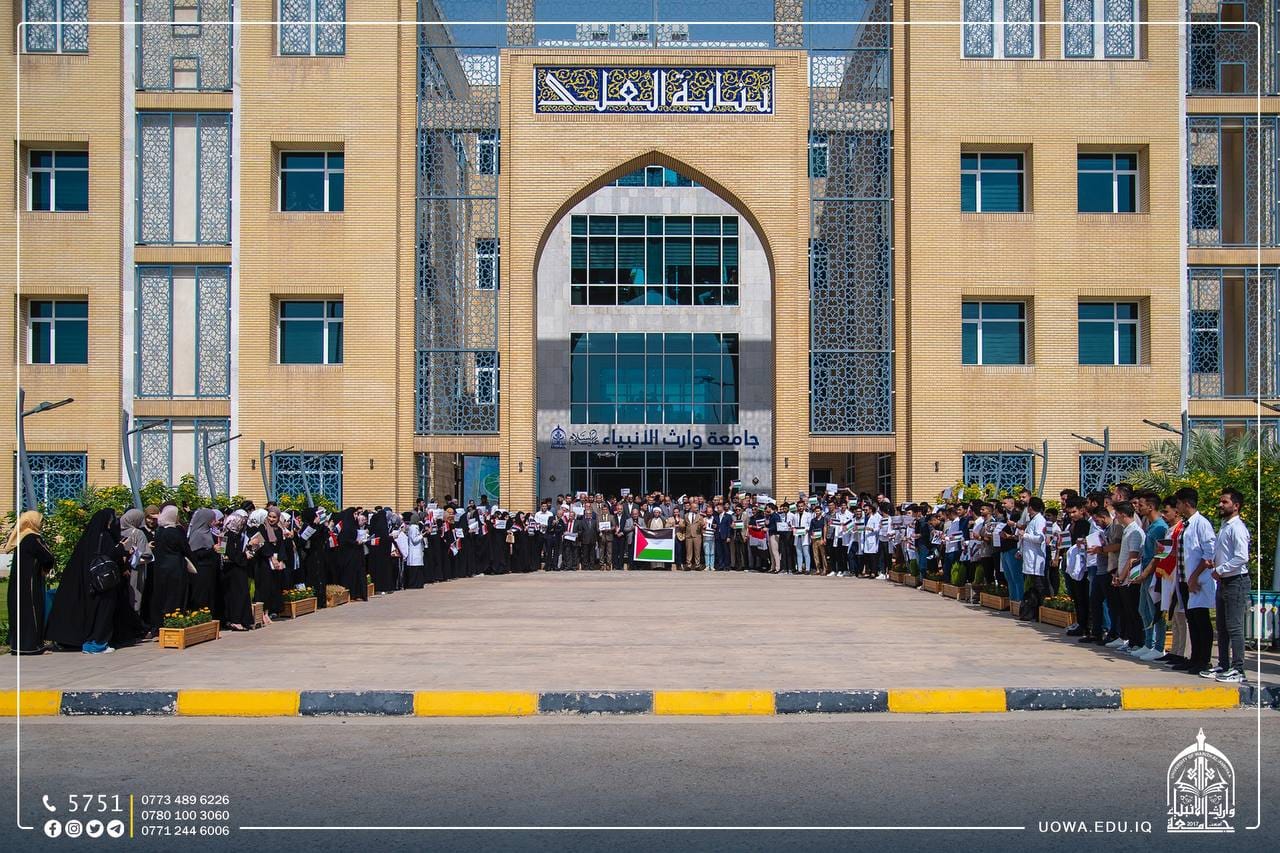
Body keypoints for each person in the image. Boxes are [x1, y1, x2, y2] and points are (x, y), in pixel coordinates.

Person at [46, 508, 125, 654]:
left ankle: (78, 642)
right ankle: (97, 644)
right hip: (102, 583)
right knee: (102, 612)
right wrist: (121, 548)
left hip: (87, 582)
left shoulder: (88, 537)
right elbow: (110, 555)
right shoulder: (105, 537)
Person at [1174, 487, 1217, 676]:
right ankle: (1194, 658)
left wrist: (1193, 577)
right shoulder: (1186, 524)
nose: (1177, 507)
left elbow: (1209, 553)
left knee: (1201, 620)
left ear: (1186, 503)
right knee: (1192, 619)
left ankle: (1203, 660)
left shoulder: (1202, 524)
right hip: (1185, 579)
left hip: (1197, 580)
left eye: (1178, 503)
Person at [1209, 488, 1250, 683]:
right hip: (1224, 580)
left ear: (1236, 506)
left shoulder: (1237, 527)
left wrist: (1221, 569)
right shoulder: (1225, 526)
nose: (1220, 505)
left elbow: (1242, 556)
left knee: (1234, 626)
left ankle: (1238, 669)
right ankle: (1223, 664)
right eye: (1220, 501)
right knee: (1222, 627)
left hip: (1236, 581)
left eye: (1225, 502)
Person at [5, 511, 53, 655]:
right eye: (40, 521)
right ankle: (32, 647)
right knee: (32, 612)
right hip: (30, 584)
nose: (42, 524)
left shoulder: (21, 537)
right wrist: (46, 568)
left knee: (19, 613)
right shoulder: (33, 538)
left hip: (17, 584)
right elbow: (48, 556)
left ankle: (18, 646)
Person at [147, 505, 193, 630]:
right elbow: (186, 549)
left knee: (162, 596)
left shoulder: (159, 531)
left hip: (160, 567)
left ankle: (159, 625)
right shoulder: (175, 532)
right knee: (175, 596)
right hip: (175, 568)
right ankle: (174, 623)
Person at [220, 510, 254, 630]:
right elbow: (229, 553)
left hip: (232, 569)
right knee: (238, 594)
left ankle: (240, 619)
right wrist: (245, 555)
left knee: (238, 594)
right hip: (234, 570)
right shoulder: (229, 536)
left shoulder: (229, 535)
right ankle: (236, 620)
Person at [1017, 497, 1048, 619]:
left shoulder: (1039, 520)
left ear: (1030, 508)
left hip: (1036, 558)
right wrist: (1020, 551)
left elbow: (1040, 538)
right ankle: (1033, 611)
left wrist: (1024, 535)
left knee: (1039, 586)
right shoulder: (1033, 520)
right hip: (1029, 557)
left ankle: (1041, 611)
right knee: (1033, 586)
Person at [186, 508, 220, 614]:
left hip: (209, 569)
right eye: (212, 519)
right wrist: (212, 550)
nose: (215, 521)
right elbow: (196, 554)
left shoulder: (208, 532)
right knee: (202, 596)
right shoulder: (198, 534)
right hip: (201, 570)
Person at [119, 508, 152, 617]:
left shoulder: (117, 532)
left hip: (121, 570)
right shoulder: (138, 533)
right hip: (135, 570)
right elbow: (146, 555)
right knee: (135, 597)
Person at [368, 509, 396, 594]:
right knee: (384, 571)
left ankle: (379, 588)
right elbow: (384, 539)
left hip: (376, 555)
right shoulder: (383, 528)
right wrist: (391, 538)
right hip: (384, 555)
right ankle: (385, 587)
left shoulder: (376, 528)